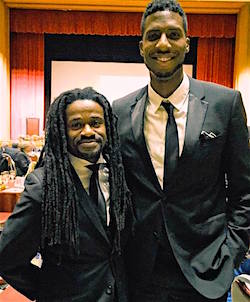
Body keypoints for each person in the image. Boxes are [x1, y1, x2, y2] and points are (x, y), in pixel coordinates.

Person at [112, 0, 250, 301]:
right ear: (141, 46)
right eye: (153, 35)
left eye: (173, 35)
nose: (163, 43)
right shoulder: (119, 112)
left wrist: (232, 253)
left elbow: (244, 191)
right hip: (139, 272)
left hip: (207, 269)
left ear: (187, 43)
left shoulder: (225, 104)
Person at [0, 87, 133, 301]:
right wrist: (49, 289)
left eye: (96, 123)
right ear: (61, 131)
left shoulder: (120, 176)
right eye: (76, 125)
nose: (88, 131)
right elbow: (6, 258)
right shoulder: (43, 187)